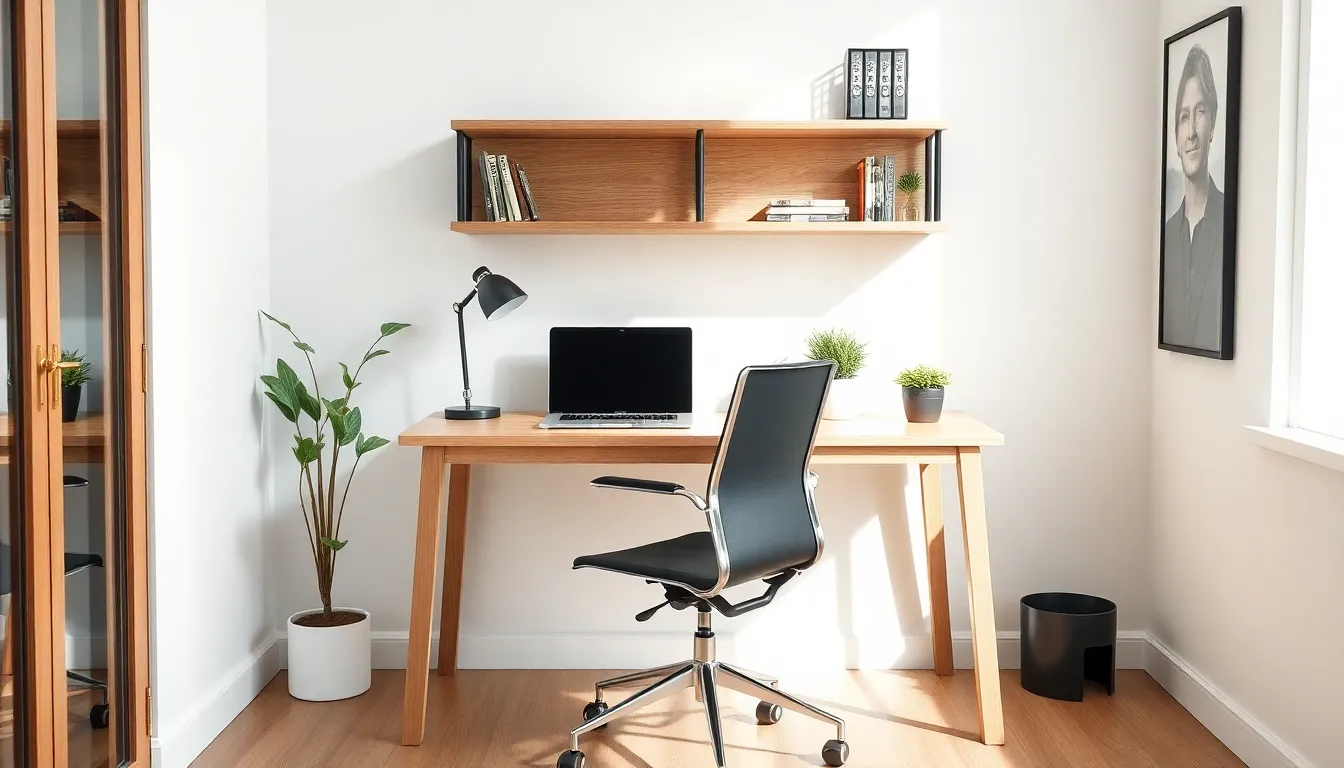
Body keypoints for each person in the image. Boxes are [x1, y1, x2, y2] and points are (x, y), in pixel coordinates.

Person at [1163, 43, 1224, 351]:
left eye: (1200, 112)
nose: (1191, 132)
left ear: (1212, 123)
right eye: (1184, 117)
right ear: (1175, 137)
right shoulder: (1167, 237)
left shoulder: (1230, 223)